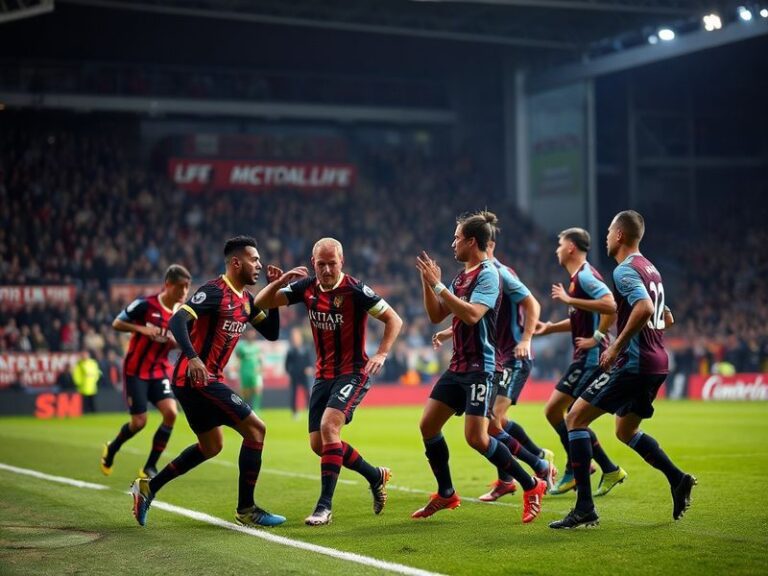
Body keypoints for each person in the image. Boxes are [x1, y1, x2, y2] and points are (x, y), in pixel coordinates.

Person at [130, 236, 300, 528]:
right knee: (256, 429)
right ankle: (246, 509)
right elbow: (177, 321)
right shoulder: (214, 291)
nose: (259, 265)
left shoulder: (246, 300)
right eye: (254, 259)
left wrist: (273, 291)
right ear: (236, 262)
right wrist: (193, 357)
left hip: (204, 380)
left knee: (211, 446)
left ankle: (148, 487)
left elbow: (271, 333)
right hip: (195, 378)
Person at [550, 211, 696, 529]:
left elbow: (645, 307)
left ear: (619, 235)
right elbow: (665, 317)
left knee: (574, 418)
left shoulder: (624, 270)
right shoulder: (651, 269)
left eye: (608, 231)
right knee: (625, 431)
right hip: (657, 363)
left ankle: (584, 508)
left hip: (634, 363)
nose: (605, 237)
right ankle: (678, 478)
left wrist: (616, 347)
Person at [255, 237, 403, 526]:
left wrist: (382, 353)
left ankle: (324, 507)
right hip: (323, 375)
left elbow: (394, 319)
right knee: (318, 445)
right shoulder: (306, 287)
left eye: (331, 264)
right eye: (321, 264)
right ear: (313, 263)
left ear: (341, 262)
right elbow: (261, 302)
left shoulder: (355, 290)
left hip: (353, 372)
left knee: (329, 427)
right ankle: (375, 475)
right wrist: (279, 283)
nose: (326, 270)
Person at [413, 211, 547, 523]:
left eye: (457, 238)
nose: (453, 244)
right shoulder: (461, 277)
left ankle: (531, 484)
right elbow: (436, 315)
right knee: (428, 425)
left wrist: (438, 286)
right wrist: (427, 283)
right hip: (458, 365)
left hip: (481, 367)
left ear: (472, 242)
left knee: (477, 437)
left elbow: (472, 315)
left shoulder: (489, 274)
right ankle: (446, 493)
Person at [433, 236, 556, 503]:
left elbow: (532, 303)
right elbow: (482, 316)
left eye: (459, 238)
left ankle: (538, 465)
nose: (455, 243)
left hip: (511, 356)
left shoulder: (497, 272)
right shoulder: (472, 274)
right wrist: (448, 332)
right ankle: (518, 474)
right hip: (497, 355)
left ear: (484, 243)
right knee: (493, 422)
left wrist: (526, 340)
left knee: (493, 421)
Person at [535, 227, 626, 496]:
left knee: (566, 415)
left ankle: (579, 469)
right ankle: (606, 468)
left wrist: (597, 337)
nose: (557, 250)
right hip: (582, 358)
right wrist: (551, 328)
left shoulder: (585, 276)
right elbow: (581, 317)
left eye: (560, 244)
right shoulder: (578, 278)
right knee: (562, 414)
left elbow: (611, 306)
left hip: (590, 359)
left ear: (571, 247)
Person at [101, 264, 191, 479]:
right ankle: (112, 448)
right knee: (139, 423)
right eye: (180, 286)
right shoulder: (145, 305)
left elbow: (183, 343)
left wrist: (176, 342)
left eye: (187, 287)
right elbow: (117, 323)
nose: (184, 291)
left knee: (171, 413)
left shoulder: (182, 314)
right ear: (168, 284)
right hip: (136, 371)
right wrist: (142, 329)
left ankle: (150, 466)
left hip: (159, 370)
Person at [284, 327, 312, 419]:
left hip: (304, 374)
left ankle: (310, 409)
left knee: (307, 391)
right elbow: (287, 364)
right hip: (294, 374)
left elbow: (310, 361)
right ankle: (294, 412)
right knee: (294, 393)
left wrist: (309, 368)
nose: (296, 338)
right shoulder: (290, 350)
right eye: (294, 337)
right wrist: (289, 372)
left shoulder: (306, 348)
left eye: (297, 336)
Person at [235, 329, 264, 412]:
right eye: (249, 332)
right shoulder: (241, 347)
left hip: (255, 372)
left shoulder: (257, 347)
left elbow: (260, 360)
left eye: (252, 332)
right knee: (245, 393)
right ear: (246, 334)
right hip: (244, 372)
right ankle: (244, 409)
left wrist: (261, 368)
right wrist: (236, 368)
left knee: (258, 389)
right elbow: (238, 359)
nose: (251, 334)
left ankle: (256, 409)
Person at [72, 349, 101, 413]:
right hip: (83, 386)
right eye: (83, 355)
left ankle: (92, 412)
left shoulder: (93, 363)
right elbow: (76, 375)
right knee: (84, 402)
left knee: (92, 401)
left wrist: (95, 380)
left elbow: (97, 372)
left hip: (92, 385)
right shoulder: (79, 364)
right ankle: (86, 412)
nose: (84, 356)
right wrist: (79, 383)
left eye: (86, 355)